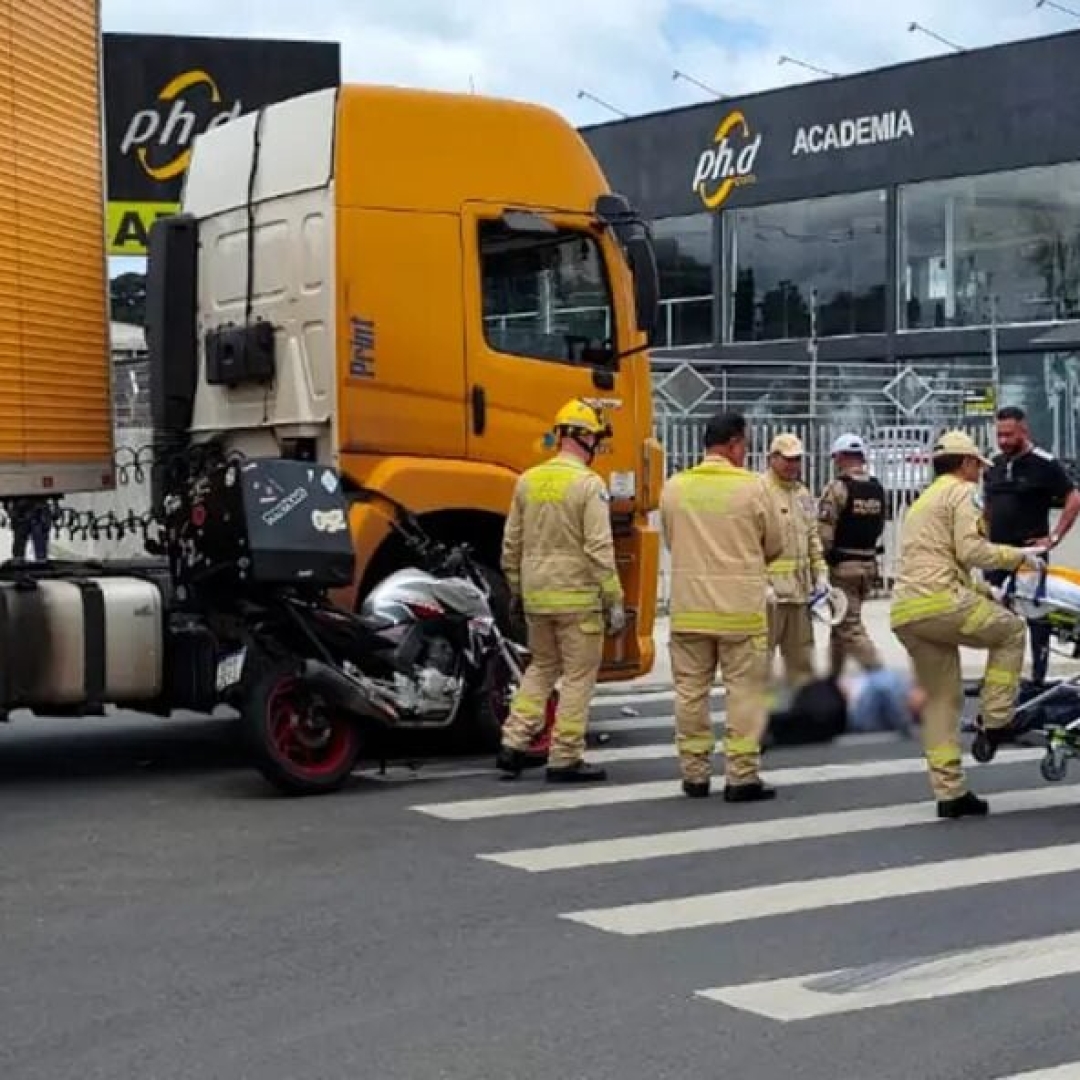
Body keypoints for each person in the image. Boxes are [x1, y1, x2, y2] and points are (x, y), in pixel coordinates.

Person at [891, 430, 1045, 818]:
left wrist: (984, 592)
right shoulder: (962, 493)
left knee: (941, 701)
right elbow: (971, 550)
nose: (980, 473)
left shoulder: (921, 502)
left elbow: (941, 561)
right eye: (978, 465)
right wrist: (1021, 557)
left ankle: (951, 793)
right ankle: (997, 721)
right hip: (942, 604)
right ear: (965, 463)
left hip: (908, 612)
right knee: (1011, 631)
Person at [497, 398, 626, 784]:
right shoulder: (588, 485)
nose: (598, 447)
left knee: (540, 668)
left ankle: (513, 742)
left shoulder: (528, 480)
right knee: (577, 677)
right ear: (583, 436)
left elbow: (511, 545)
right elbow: (599, 549)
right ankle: (565, 756)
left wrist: (517, 591)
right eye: (597, 438)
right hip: (578, 600)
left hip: (537, 597)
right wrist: (614, 600)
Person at [660, 411, 783, 801]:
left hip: (689, 607)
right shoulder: (754, 488)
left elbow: (670, 539)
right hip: (740, 611)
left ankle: (694, 775)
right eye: (744, 444)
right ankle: (741, 777)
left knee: (690, 693)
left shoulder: (674, 488)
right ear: (733, 444)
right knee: (744, 692)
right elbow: (775, 544)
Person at [983, 405, 1080, 685]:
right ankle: (997, 678)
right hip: (997, 554)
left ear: (1024, 431)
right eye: (999, 435)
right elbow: (989, 507)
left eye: (1009, 435)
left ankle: (1038, 677)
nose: (1003, 441)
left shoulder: (1045, 463)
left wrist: (1054, 538)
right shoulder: (995, 464)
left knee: (1037, 618)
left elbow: (1073, 498)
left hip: (1030, 556)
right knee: (995, 618)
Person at [817, 433, 887, 679]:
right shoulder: (877, 488)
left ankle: (882, 678)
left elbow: (824, 531)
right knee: (839, 625)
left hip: (844, 567)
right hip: (868, 565)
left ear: (843, 457)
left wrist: (824, 557)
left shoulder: (838, 487)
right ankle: (832, 679)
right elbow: (879, 527)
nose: (835, 462)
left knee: (849, 627)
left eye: (836, 457)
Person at [763, 433, 828, 693]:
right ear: (772, 459)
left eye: (797, 460)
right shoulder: (759, 491)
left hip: (800, 596)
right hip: (769, 598)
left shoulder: (802, 494)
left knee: (801, 664)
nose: (793, 465)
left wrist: (821, 575)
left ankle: (801, 720)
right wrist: (760, 583)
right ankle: (759, 722)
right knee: (761, 665)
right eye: (788, 460)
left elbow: (813, 537)